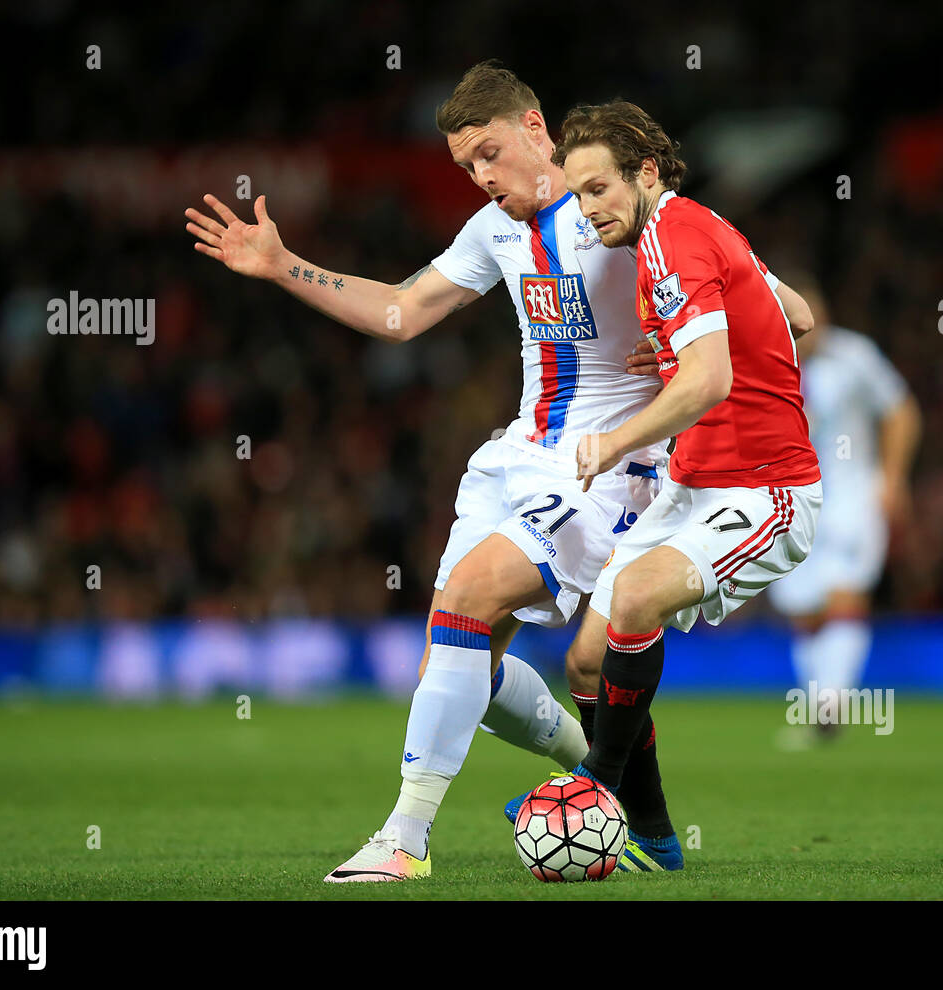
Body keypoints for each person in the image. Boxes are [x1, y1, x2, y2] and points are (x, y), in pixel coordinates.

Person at [185, 62, 680, 881]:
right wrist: (284, 267)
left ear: (535, 128)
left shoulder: (625, 210)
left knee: (466, 599)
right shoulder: (494, 232)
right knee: (458, 674)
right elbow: (402, 311)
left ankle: (404, 840)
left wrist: (678, 341)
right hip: (517, 458)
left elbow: (758, 308)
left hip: (608, 465)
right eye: (465, 167)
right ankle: (597, 776)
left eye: (489, 153)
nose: (482, 178)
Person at [538, 100, 820, 851]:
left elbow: (710, 383)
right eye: (576, 195)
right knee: (586, 663)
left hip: (767, 488)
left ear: (647, 172)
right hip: (692, 487)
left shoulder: (674, 238)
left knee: (636, 597)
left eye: (599, 189)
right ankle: (657, 840)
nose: (588, 210)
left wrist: (613, 441)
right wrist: (671, 349)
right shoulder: (696, 230)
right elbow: (796, 315)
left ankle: (592, 787)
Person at [767, 277, 920, 739]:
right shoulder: (762, 361)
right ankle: (820, 707)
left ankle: (831, 706)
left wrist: (893, 479)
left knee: (845, 591)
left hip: (851, 494)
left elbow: (901, 410)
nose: (808, 329)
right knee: (804, 608)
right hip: (790, 499)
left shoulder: (855, 357)